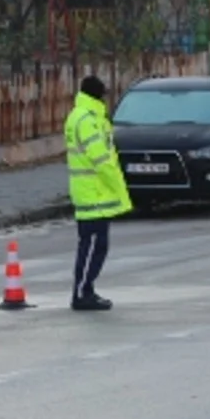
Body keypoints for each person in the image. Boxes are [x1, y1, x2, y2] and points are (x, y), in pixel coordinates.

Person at [64, 75, 131, 311]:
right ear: (98, 95)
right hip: (94, 194)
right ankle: (82, 292)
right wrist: (119, 187)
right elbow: (101, 159)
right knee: (93, 245)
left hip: (93, 193)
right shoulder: (87, 119)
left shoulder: (85, 116)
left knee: (95, 245)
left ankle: (86, 289)